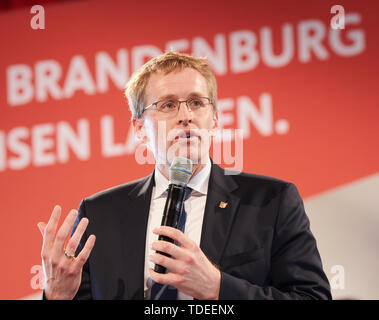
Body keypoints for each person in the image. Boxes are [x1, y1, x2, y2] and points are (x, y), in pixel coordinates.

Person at [37, 52, 331, 300]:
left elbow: (312, 297)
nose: (185, 115)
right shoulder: (100, 214)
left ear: (213, 119)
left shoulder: (272, 202)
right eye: (167, 105)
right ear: (139, 128)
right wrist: (58, 296)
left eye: (196, 102)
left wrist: (218, 287)